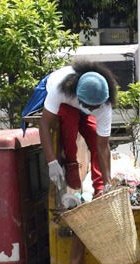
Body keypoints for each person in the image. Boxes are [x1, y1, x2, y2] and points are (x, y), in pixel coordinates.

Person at [38, 63, 119, 202]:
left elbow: (102, 145)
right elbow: (44, 124)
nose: (93, 110)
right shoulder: (60, 90)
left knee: (94, 135)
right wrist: (52, 161)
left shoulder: (104, 105)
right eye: (89, 107)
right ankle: (71, 163)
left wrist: (107, 183)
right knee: (70, 121)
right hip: (65, 106)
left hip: (81, 106)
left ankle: (99, 189)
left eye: (96, 107)